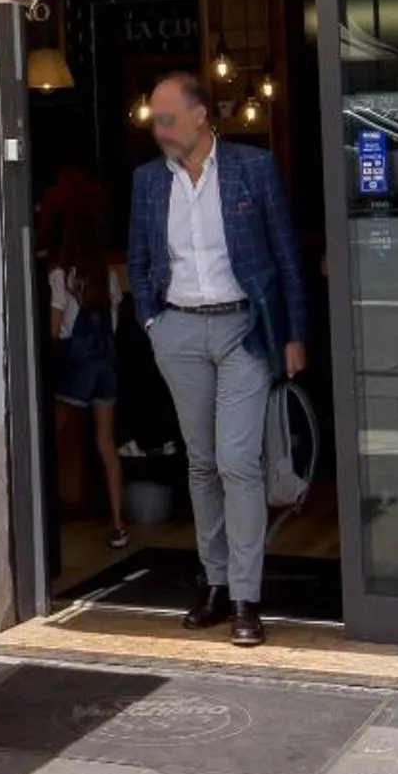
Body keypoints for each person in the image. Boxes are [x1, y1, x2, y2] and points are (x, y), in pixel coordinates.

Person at [127, 70, 307, 647]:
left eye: (167, 117)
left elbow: (286, 255)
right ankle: (216, 579)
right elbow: (138, 259)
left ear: (202, 115)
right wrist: (152, 324)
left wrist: (294, 334)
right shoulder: (149, 182)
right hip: (178, 330)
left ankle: (247, 596)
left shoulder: (251, 169)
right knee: (201, 463)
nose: (158, 129)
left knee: (237, 461)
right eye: (154, 119)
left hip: (243, 330)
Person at [47, 213, 129, 552]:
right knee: (106, 445)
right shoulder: (108, 275)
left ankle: (46, 509)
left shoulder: (61, 276)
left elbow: (55, 329)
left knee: (53, 438)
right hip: (106, 367)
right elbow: (115, 324)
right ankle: (119, 524)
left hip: (77, 366)